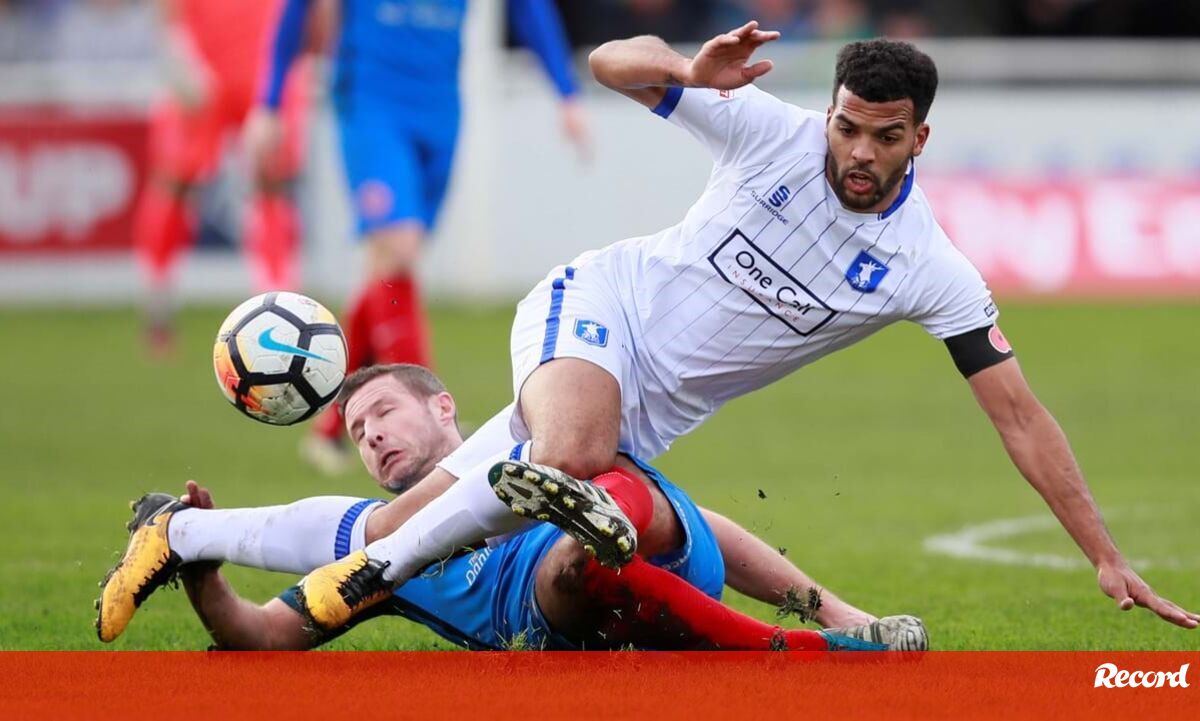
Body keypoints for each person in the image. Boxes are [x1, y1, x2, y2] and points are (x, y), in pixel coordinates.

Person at [104, 26, 1198, 639]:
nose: (858, 152)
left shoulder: (929, 268)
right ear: (829, 112)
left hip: (643, 418)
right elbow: (606, 62)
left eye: (884, 137)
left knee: (398, 516)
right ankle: (377, 573)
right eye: (848, 127)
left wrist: (1104, 554)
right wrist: (683, 71)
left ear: (921, 139)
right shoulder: (767, 131)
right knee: (574, 455)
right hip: (594, 310)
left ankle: (182, 533)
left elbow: (1020, 415)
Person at [99, 364, 924, 651]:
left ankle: (830, 631)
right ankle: (804, 648)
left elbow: (711, 528)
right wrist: (204, 573)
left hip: (653, 544)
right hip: (574, 614)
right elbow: (263, 635)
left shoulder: (533, 441)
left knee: (591, 474)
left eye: (383, 411)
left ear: (442, 405)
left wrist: (832, 602)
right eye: (356, 432)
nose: (372, 434)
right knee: (570, 562)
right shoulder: (370, 557)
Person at [250, 0, 590, 474]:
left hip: (440, 108)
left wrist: (566, 91)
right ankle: (427, 417)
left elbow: (527, 8)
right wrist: (268, 103)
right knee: (398, 246)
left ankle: (332, 424)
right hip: (371, 101)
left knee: (387, 267)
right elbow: (297, 11)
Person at [134, 0, 325, 354]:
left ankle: (277, 307)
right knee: (175, 181)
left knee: (273, 184)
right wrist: (176, 54)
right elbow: (164, 12)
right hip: (204, 63)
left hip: (269, 65)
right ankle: (157, 298)